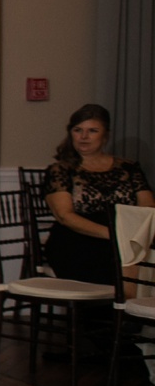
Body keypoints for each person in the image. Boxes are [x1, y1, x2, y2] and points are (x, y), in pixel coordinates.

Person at [43, 104, 153, 286]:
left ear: (105, 135)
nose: (84, 137)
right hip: (77, 239)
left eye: (92, 130)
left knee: (138, 252)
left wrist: (132, 235)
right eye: (78, 130)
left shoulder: (129, 167)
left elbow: (148, 207)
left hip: (125, 234)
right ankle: (116, 310)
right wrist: (113, 235)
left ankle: (130, 309)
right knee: (115, 255)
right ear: (71, 134)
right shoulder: (61, 170)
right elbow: (65, 216)